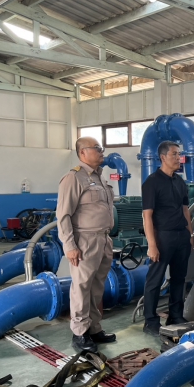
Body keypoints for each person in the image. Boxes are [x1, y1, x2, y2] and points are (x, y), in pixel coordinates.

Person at [56, 137, 116, 353]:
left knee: (97, 287)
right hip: (85, 240)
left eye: (101, 148)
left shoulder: (99, 177)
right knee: (81, 287)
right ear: (83, 153)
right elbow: (63, 215)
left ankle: (94, 328)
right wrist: (70, 246)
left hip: (104, 238)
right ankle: (80, 333)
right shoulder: (73, 178)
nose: (101, 152)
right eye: (97, 149)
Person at [141, 141, 194, 337]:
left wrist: (190, 234)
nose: (179, 158)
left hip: (181, 236)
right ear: (163, 157)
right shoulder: (152, 182)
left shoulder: (180, 182)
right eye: (174, 154)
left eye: (179, 154)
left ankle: (175, 316)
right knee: (154, 280)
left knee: (179, 278)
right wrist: (152, 245)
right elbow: (147, 216)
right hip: (162, 237)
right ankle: (150, 321)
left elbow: (185, 210)